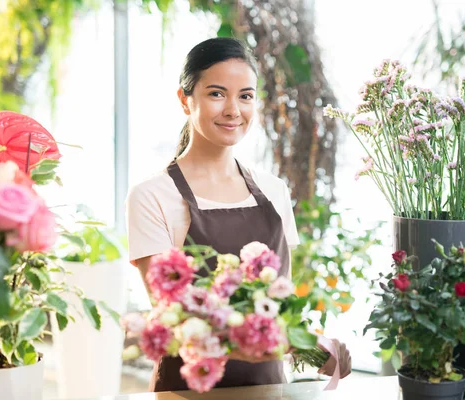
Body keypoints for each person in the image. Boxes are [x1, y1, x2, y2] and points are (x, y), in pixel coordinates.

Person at [126, 37, 351, 392]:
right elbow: (173, 315)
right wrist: (278, 340)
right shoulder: (151, 195)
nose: (233, 110)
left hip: (270, 387)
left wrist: (312, 346)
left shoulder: (274, 190)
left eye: (245, 96)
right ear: (185, 100)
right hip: (187, 390)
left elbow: (281, 302)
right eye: (217, 94)